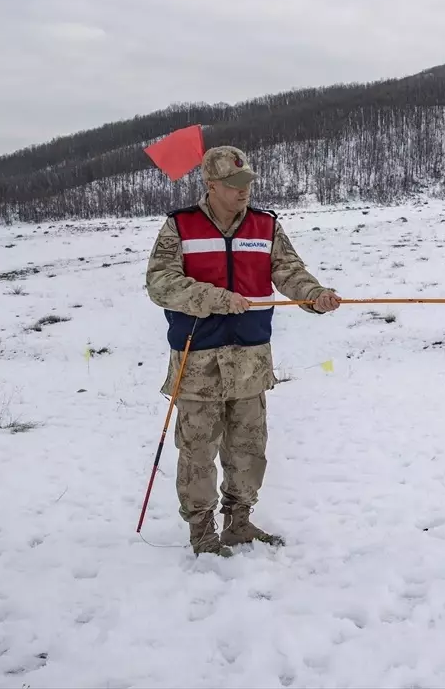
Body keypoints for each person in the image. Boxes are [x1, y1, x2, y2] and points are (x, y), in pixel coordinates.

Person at [145, 145, 341, 556]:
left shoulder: (265, 226)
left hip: (251, 360)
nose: (243, 192)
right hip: (198, 362)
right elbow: (160, 283)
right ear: (211, 185)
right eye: (233, 185)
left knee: (248, 448)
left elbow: (289, 271)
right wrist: (215, 298)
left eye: (246, 183)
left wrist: (314, 296)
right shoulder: (180, 227)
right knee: (198, 453)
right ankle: (202, 532)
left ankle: (239, 522)